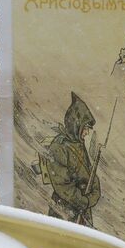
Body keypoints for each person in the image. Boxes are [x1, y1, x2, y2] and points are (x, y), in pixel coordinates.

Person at [40, 92, 101, 227]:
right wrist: (83, 201)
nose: (87, 132)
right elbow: (62, 185)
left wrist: (94, 193)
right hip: (64, 208)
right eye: (85, 128)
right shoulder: (59, 146)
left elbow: (89, 173)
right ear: (76, 125)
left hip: (82, 207)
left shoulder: (79, 143)